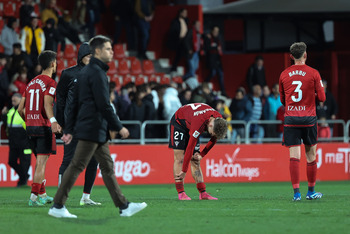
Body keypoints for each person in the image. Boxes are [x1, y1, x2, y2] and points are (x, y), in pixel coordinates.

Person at [49, 35, 147, 218]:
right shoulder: (96, 73)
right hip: (91, 129)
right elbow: (103, 104)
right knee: (78, 165)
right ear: (98, 51)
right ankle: (58, 205)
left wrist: (69, 128)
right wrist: (119, 126)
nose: (112, 52)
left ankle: (123, 206)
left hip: (93, 128)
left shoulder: (88, 73)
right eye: (108, 49)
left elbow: (77, 103)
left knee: (106, 166)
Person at [279, 42, 326, 201]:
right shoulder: (314, 73)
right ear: (305, 55)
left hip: (291, 118)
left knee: (294, 156)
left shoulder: (284, 74)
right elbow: (322, 98)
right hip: (309, 118)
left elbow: (282, 100)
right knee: (310, 155)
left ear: (291, 56)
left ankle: (296, 194)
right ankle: (311, 192)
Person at [55, 42, 101, 206]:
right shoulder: (68, 74)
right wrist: (59, 122)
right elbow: (59, 99)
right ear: (81, 56)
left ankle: (86, 197)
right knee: (68, 160)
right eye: (88, 56)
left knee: (94, 160)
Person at [17, 50, 61, 206]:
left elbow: (19, 109)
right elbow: (47, 104)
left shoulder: (30, 83)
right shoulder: (50, 83)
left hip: (30, 128)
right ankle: (34, 198)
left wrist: (29, 120)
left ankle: (42, 194)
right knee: (42, 163)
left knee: (39, 162)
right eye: (55, 62)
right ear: (52, 64)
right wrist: (53, 121)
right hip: (43, 127)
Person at [169, 103, 228, 200]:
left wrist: (202, 154)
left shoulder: (219, 120)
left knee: (195, 160)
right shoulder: (199, 123)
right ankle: (181, 193)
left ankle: (203, 193)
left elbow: (214, 138)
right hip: (179, 123)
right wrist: (184, 171)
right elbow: (190, 148)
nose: (211, 135)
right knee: (179, 159)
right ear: (210, 124)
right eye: (211, 132)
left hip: (191, 122)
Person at [1, 93, 32, 187]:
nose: (12, 101)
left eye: (15, 100)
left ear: (20, 100)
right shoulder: (10, 111)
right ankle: (24, 177)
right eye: (12, 100)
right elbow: (7, 124)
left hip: (24, 142)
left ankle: (22, 181)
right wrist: (3, 115)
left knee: (25, 163)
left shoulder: (25, 111)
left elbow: (29, 126)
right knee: (11, 161)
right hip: (13, 142)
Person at [204, 26, 227, 97]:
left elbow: (221, 48)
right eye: (215, 31)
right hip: (211, 60)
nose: (216, 33)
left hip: (218, 60)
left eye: (217, 31)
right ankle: (204, 84)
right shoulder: (208, 38)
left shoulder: (218, 39)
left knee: (221, 75)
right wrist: (215, 47)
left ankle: (223, 91)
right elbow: (207, 47)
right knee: (213, 72)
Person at [168, 8, 189, 74]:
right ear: (180, 13)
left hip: (185, 41)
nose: (186, 14)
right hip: (179, 40)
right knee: (178, 55)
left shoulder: (186, 21)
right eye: (184, 13)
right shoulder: (175, 21)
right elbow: (173, 31)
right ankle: (173, 68)